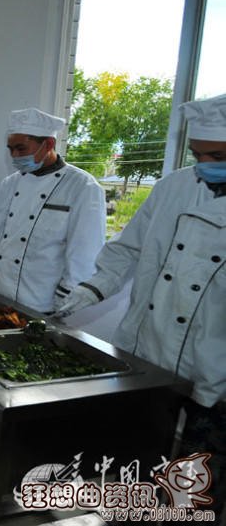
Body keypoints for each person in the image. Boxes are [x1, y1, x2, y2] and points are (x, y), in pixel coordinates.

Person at [57, 95, 226, 518]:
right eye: (198, 154)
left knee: (196, 485)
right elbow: (125, 250)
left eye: (217, 155)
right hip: (149, 351)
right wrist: (90, 290)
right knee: (139, 460)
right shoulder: (173, 187)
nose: (205, 164)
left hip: (215, 366)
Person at [0, 107, 106, 313]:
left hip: (42, 300)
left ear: (48, 144)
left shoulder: (83, 188)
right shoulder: (9, 184)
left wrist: (67, 296)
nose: (14, 156)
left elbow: (84, 252)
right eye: (10, 149)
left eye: (21, 149)